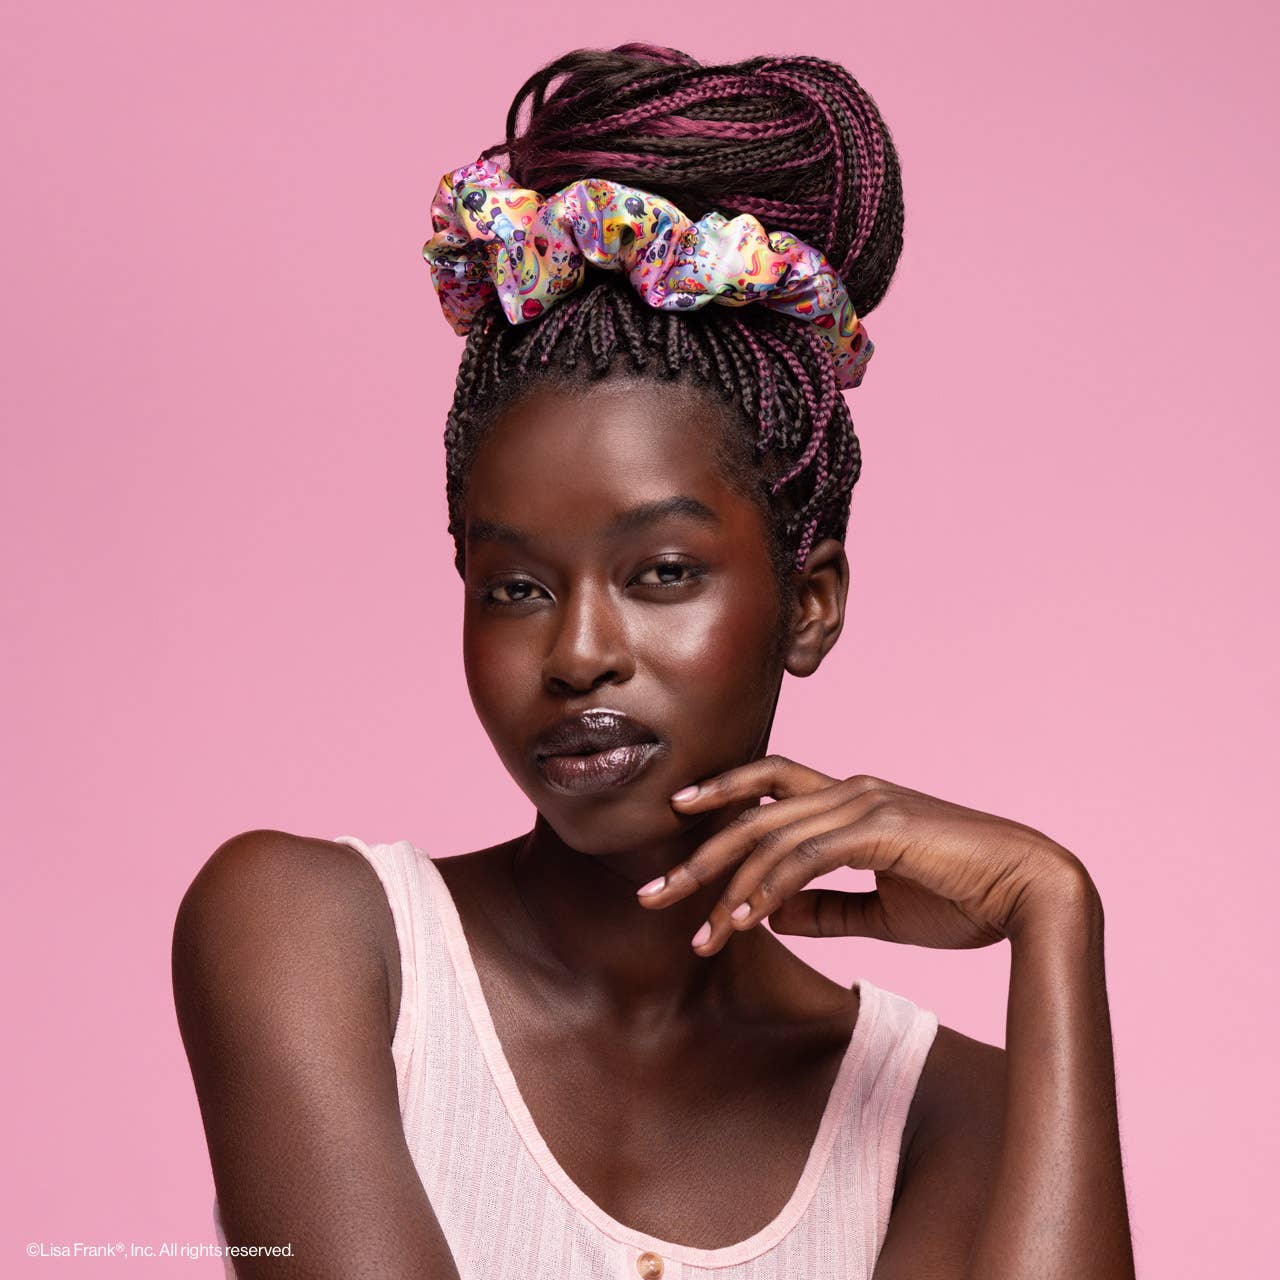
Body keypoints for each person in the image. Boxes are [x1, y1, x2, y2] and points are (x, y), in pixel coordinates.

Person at [172, 44, 1135, 1279]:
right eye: (513, 586)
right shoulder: (313, 939)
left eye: (660, 573)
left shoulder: (952, 1115)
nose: (576, 653)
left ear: (809, 602)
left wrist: (1053, 913)